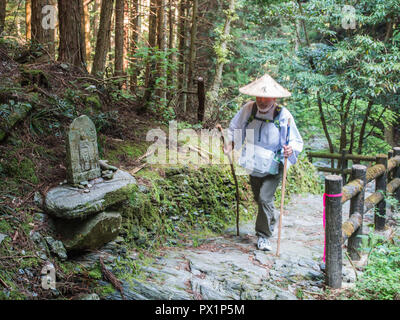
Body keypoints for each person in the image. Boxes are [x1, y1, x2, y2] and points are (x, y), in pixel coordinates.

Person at [224, 74, 303, 251]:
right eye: (259, 97)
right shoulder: (249, 109)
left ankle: (263, 236)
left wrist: (290, 149)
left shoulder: (283, 115)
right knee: (259, 199)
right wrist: (232, 143)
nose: (262, 100)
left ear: (274, 98)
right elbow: (237, 128)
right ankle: (270, 219)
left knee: (264, 197)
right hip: (253, 161)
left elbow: (295, 140)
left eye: (266, 97)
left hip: (274, 164)